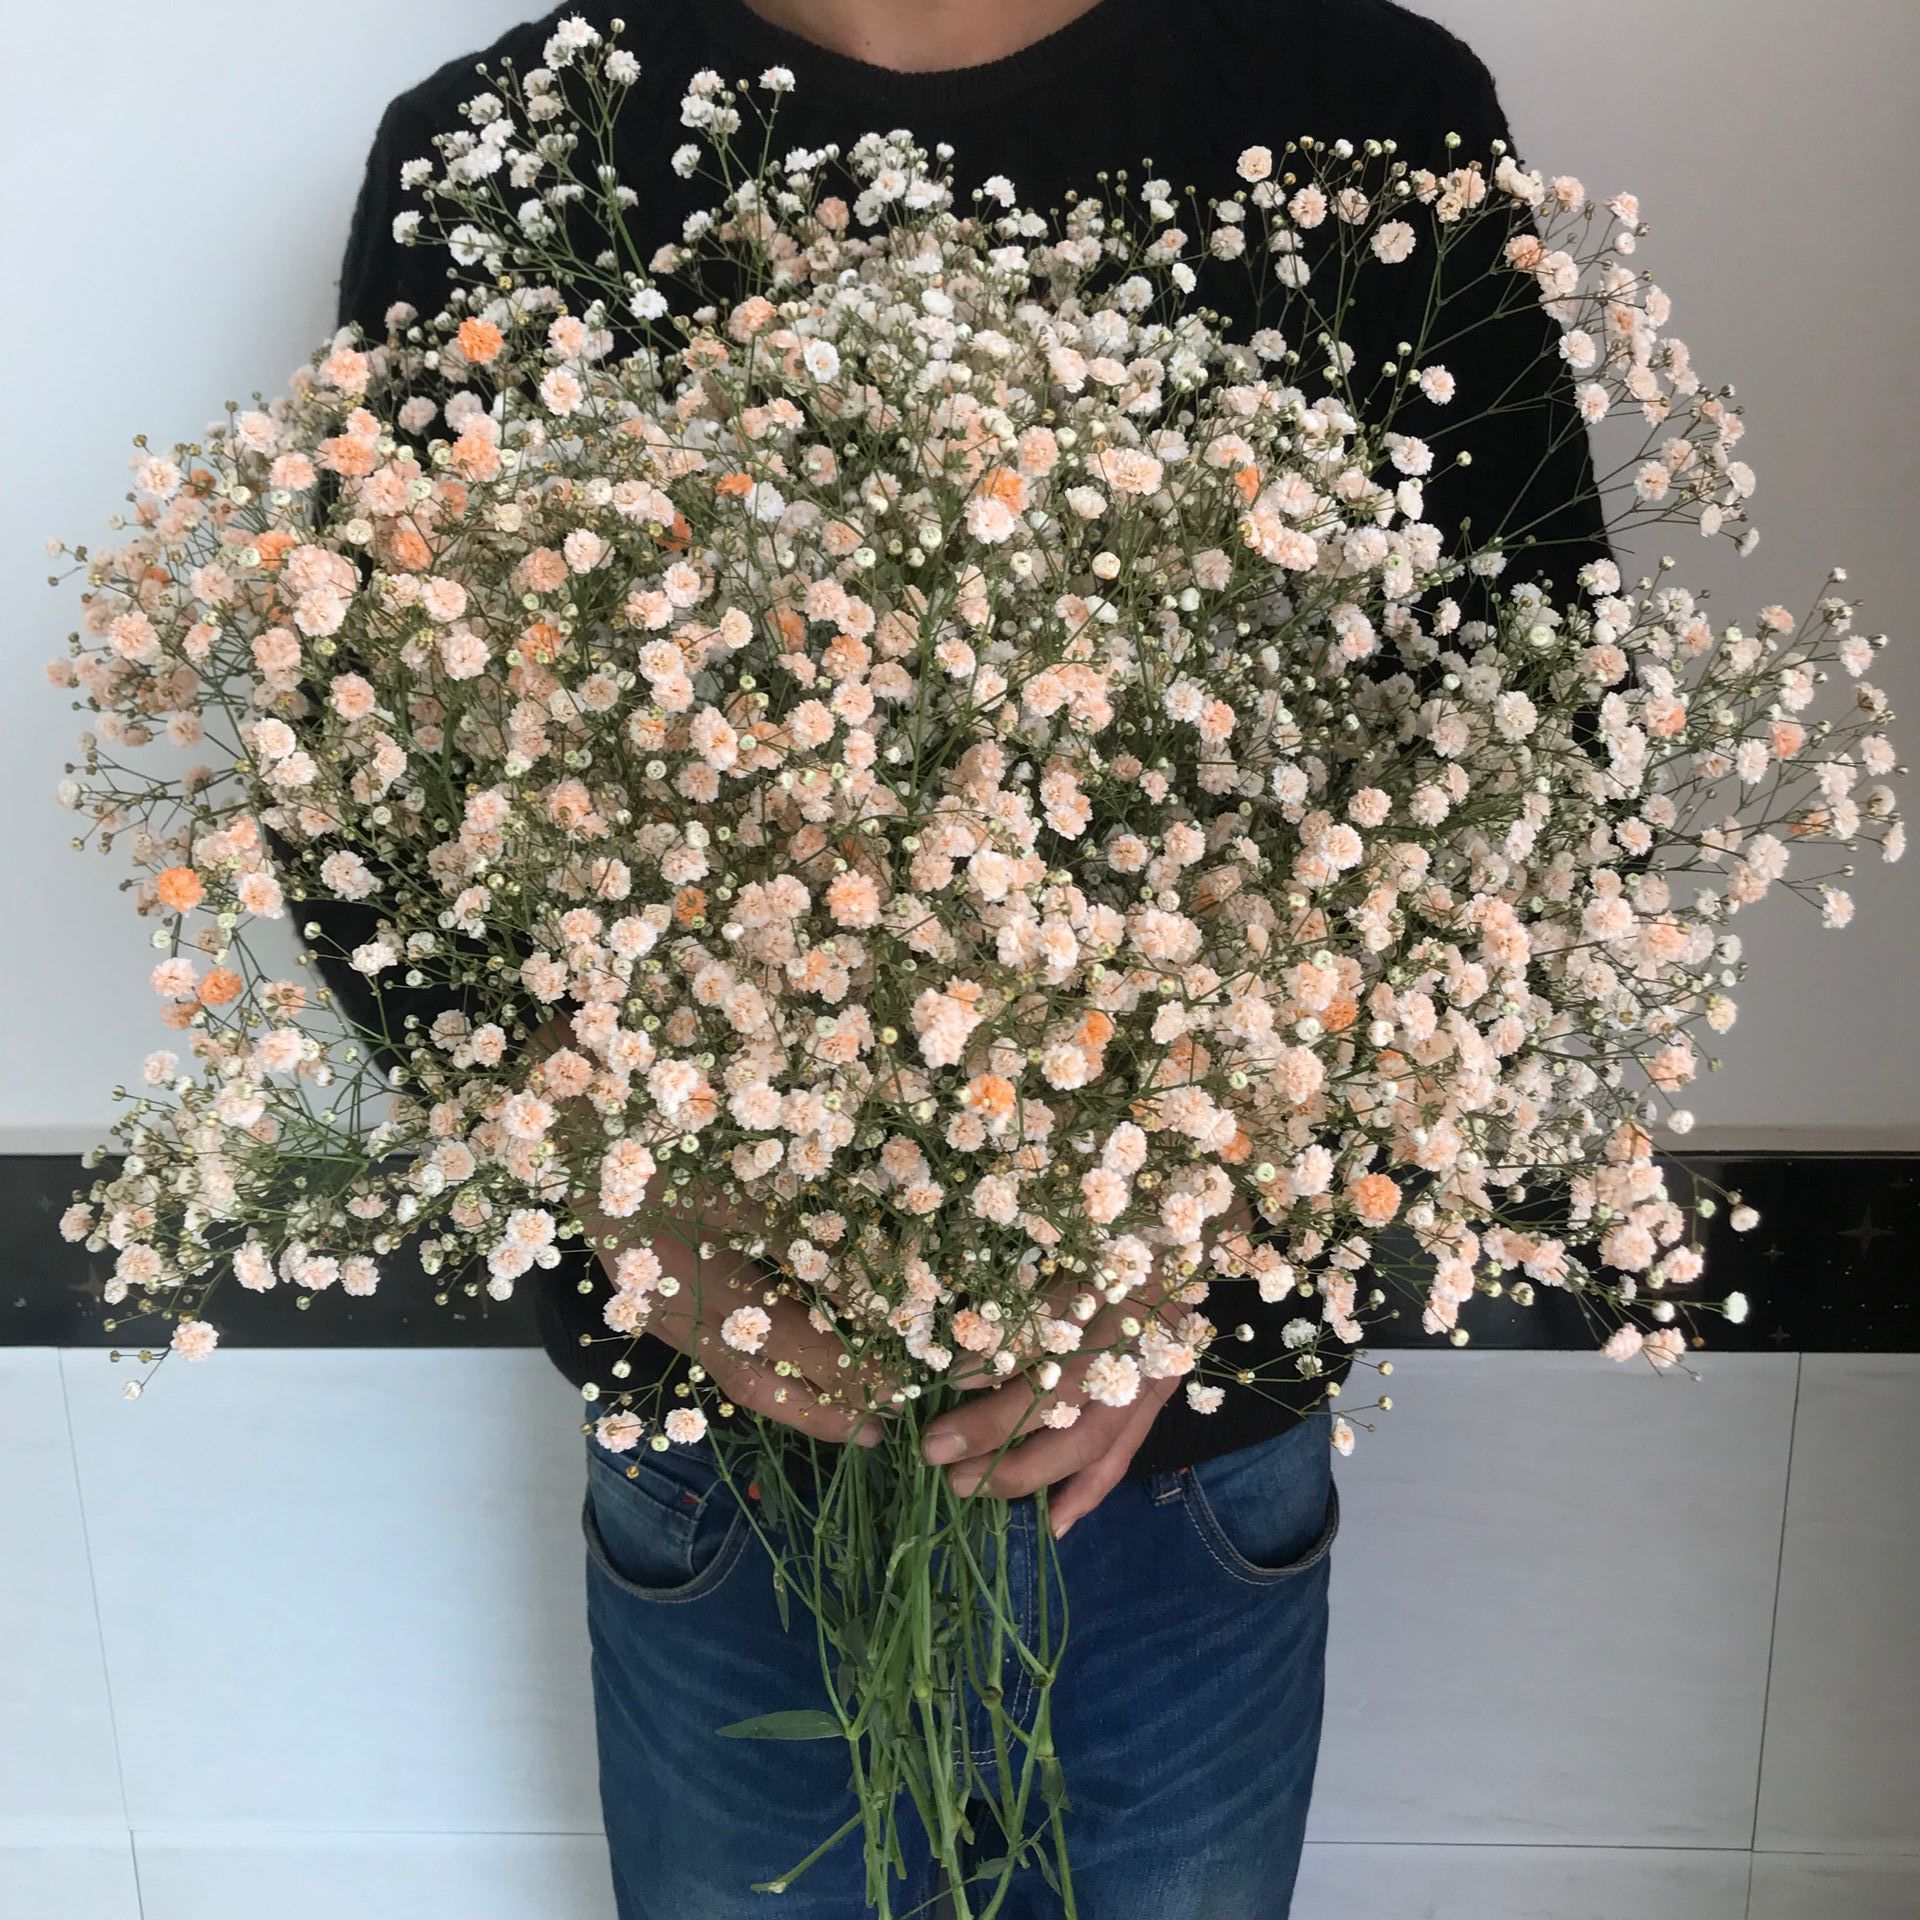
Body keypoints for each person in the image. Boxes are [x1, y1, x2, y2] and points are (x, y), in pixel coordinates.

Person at [320, 3, 1613, 1914]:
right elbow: (362, 801)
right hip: (727, 1447)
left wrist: (1202, 1243)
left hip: (1185, 1444)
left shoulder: (1362, 107)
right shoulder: (511, 146)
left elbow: (1543, 770)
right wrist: (640, 1214)